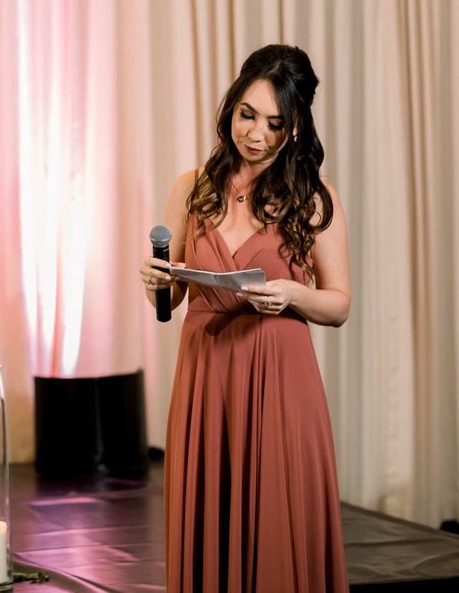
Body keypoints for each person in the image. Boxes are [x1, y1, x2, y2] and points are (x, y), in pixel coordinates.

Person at [140, 45, 350, 592]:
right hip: (206, 375)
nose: (256, 134)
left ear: (296, 125)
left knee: (277, 525)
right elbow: (174, 297)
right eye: (247, 115)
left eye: (275, 123)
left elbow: (340, 303)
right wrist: (159, 283)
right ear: (230, 108)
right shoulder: (193, 187)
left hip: (278, 378)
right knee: (211, 513)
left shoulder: (313, 197)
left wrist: (292, 295)